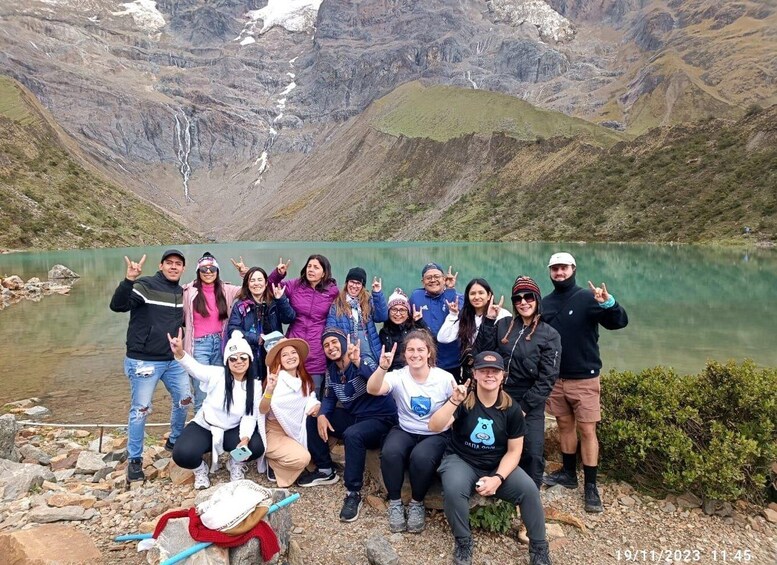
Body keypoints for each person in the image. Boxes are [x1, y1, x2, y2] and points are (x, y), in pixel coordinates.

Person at [429, 351, 552, 565]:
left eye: (494, 371)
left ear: (502, 376)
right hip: (462, 459)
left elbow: (514, 451)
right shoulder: (464, 401)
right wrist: (453, 401)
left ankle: (539, 547)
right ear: (474, 374)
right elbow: (435, 426)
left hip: (497, 463)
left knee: (529, 490)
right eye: (483, 371)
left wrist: (498, 478)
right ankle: (463, 541)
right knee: (453, 488)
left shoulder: (511, 409)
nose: (489, 375)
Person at [541, 252, 628, 513]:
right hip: (556, 378)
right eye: (555, 269)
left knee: (588, 431)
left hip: (585, 377)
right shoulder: (545, 303)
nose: (559, 273)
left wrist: (609, 303)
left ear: (573, 269)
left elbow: (619, 322)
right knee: (565, 426)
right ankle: (568, 474)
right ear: (550, 272)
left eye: (563, 268)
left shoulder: (589, 298)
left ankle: (590, 486)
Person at [109, 249, 193, 482]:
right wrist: (129, 279)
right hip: (143, 360)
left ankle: (175, 438)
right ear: (161, 265)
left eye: (178, 264)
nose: (174, 267)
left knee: (185, 398)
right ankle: (135, 460)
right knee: (141, 409)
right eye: (169, 263)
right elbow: (118, 306)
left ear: (183, 268)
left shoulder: (180, 292)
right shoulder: (144, 285)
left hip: (172, 360)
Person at [299, 327, 397, 523]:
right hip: (355, 416)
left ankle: (353, 492)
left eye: (334, 342)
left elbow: (376, 378)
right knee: (314, 416)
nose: (331, 347)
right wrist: (323, 414)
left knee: (353, 434)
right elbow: (329, 397)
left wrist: (358, 361)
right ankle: (326, 470)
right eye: (326, 345)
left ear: (344, 343)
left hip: (380, 419)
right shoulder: (332, 371)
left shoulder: (364, 359)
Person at [475, 276, 561, 488]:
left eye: (528, 297)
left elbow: (548, 377)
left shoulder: (549, 335)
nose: (523, 302)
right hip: (500, 393)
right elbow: (484, 352)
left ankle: (530, 491)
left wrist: (523, 407)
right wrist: (488, 320)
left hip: (529, 398)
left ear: (537, 299)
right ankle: (496, 486)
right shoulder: (504, 324)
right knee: (492, 441)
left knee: (532, 450)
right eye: (518, 298)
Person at [366, 330, 455, 533]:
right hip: (406, 428)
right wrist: (382, 368)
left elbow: (457, 405)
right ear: (404, 354)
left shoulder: (444, 378)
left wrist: (451, 417)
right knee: (390, 452)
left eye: (420, 350)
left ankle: (417, 503)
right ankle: (396, 502)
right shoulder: (398, 376)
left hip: (436, 434)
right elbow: (373, 389)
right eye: (410, 350)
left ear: (429, 352)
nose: (415, 354)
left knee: (421, 457)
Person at [168, 329, 265, 489]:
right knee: (182, 454)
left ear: (250, 359)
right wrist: (180, 353)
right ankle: (200, 469)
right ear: (227, 361)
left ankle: (235, 462)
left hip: (232, 429)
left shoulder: (255, 385)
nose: (238, 361)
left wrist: (245, 439)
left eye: (243, 357)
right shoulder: (217, 374)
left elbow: (250, 415)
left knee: (255, 447)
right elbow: (196, 368)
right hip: (205, 426)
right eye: (233, 358)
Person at [268, 255, 339, 392]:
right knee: (289, 391)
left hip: (317, 348)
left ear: (324, 273)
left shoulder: (332, 291)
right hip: (294, 344)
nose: (311, 270)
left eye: (316, 267)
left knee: (314, 392)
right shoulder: (295, 285)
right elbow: (271, 287)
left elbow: (341, 312)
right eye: (309, 266)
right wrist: (278, 275)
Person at [183, 252, 242, 412]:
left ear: (217, 271)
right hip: (198, 345)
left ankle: (218, 426)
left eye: (212, 269)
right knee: (201, 390)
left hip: (220, 343)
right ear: (198, 271)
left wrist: (244, 273)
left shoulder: (226, 290)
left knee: (220, 386)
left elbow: (252, 288)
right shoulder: (188, 291)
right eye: (204, 269)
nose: (208, 272)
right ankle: (200, 430)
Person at [259, 333, 320, 487]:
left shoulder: (303, 379)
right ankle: (274, 464)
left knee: (325, 432)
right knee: (303, 458)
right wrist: (269, 390)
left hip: (297, 428)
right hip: (275, 432)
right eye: (284, 355)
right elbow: (263, 409)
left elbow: (310, 398)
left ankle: (288, 457)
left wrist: (316, 405)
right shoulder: (275, 382)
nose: (290, 357)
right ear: (279, 360)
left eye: (293, 352)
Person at [227, 266, 296, 380]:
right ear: (247, 284)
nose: (256, 283)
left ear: (265, 283)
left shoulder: (274, 301)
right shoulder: (241, 305)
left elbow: (289, 318)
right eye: (252, 280)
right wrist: (256, 338)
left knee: (273, 387)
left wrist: (281, 299)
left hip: (273, 353)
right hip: (251, 355)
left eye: (260, 280)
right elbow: (232, 330)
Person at [438, 278, 511, 383]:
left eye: (481, 293)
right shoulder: (466, 317)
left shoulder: (502, 315)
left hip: (493, 371)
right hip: (471, 372)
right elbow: (443, 337)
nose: (477, 297)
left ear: (489, 295)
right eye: (472, 293)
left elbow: (506, 347)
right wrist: (453, 315)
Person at [409, 263, 463, 381]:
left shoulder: (457, 297)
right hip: (424, 361)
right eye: (428, 278)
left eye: (437, 276)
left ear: (444, 279)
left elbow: (455, 315)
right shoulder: (416, 296)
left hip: (451, 360)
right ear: (423, 281)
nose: (433, 280)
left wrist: (450, 290)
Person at [326, 267, 388, 368]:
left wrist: (377, 293)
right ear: (347, 283)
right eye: (352, 282)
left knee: (371, 377)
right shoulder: (337, 304)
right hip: (347, 352)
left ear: (362, 286)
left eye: (358, 283)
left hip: (368, 350)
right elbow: (330, 330)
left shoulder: (368, 301)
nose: (354, 286)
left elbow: (382, 317)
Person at [379, 288, 428, 370]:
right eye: (394, 309)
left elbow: (432, 343)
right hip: (392, 374)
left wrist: (420, 322)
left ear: (408, 313)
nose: (398, 314)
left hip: (414, 372)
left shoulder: (415, 329)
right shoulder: (384, 333)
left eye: (402, 310)